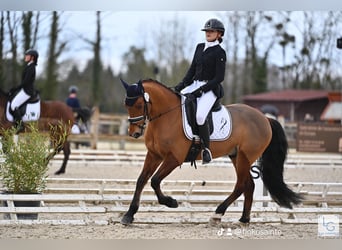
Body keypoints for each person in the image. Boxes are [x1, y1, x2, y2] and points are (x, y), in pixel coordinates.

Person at [174, 18, 226, 164]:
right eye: (207, 31)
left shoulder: (220, 52)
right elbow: (191, 71)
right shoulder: (199, 47)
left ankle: (206, 149)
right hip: (194, 85)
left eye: (211, 31)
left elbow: (219, 78)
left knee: (200, 116)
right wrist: (180, 86)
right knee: (176, 105)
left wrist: (202, 89)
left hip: (210, 89)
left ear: (219, 34)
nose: (208, 33)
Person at [10, 49, 39, 132]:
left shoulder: (31, 67)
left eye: (27, 55)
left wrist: (16, 88)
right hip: (24, 90)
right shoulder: (29, 66)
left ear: (32, 57)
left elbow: (25, 82)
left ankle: (20, 125)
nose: (25, 56)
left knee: (14, 105)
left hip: (27, 92)